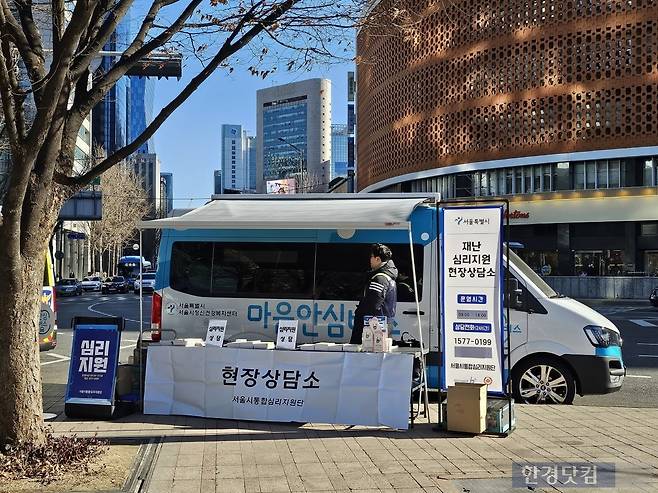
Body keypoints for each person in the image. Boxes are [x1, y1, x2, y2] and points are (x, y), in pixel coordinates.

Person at [350, 243, 398, 344]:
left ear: (378, 259)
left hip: (374, 329)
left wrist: (361, 315)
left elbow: (373, 305)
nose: (369, 260)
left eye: (371, 257)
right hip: (382, 325)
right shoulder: (388, 276)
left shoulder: (379, 278)